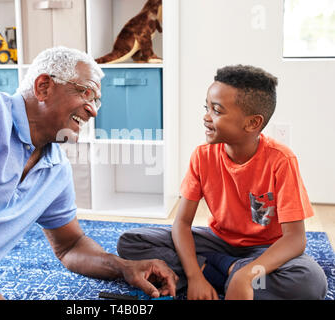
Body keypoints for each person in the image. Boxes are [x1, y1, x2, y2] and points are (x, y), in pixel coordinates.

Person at [0, 46, 178, 300]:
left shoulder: (54, 169)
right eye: (86, 92)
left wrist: (123, 267)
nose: (93, 111)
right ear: (43, 87)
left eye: (98, 101)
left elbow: (70, 245)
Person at [117, 65, 328, 300]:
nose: (206, 117)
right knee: (131, 242)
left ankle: (228, 277)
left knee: (311, 283)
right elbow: (182, 224)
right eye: (206, 107)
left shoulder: (281, 160)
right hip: (217, 243)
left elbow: (295, 239)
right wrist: (195, 275)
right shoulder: (202, 155)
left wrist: (248, 273)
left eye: (216, 110)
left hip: (265, 249)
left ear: (252, 123)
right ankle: (222, 273)